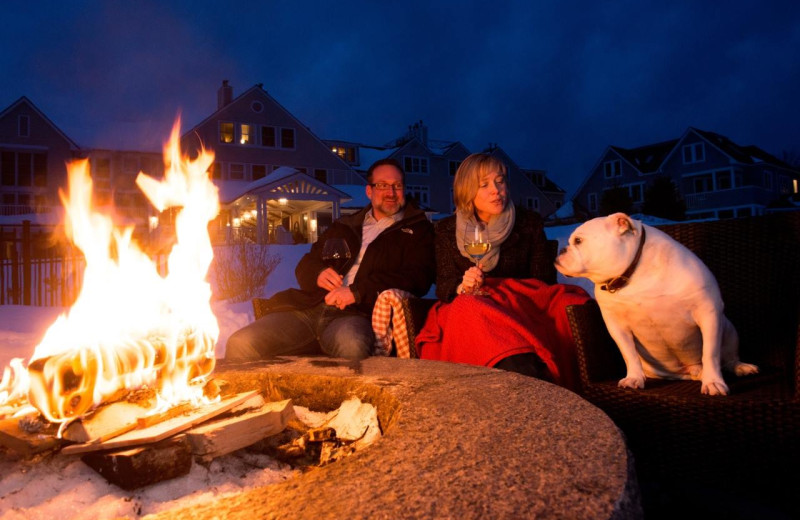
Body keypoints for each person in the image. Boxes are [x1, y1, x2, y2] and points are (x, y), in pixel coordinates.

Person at [225, 158, 435, 362]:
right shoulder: (344, 226)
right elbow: (306, 263)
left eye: (397, 186)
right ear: (369, 191)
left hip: (355, 314)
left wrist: (358, 292)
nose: (390, 192)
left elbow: (418, 277)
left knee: (352, 346)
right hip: (308, 307)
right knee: (241, 342)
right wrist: (318, 274)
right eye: (382, 185)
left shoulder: (417, 230)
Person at [414, 153, 590, 389]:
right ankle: (524, 375)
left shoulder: (528, 222)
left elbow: (542, 281)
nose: (496, 190)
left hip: (518, 305)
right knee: (467, 306)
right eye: (484, 185)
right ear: (468, 190)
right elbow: (444, 284)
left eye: (500, 181)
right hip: (469, 307)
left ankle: (532, 379)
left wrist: (500, 289)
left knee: (569, 301)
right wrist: (462, 285)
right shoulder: (446, 230)